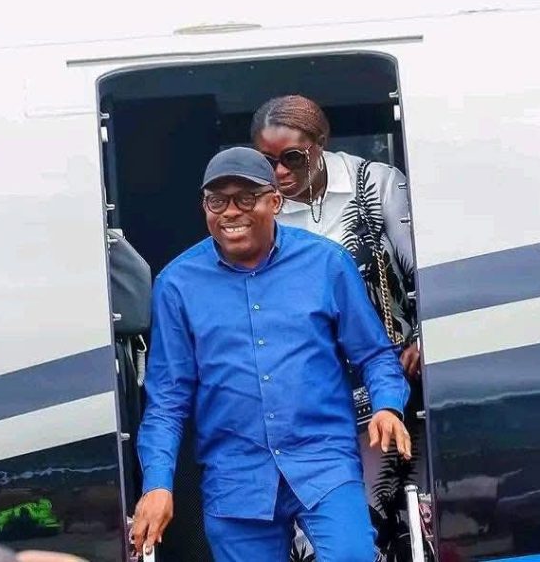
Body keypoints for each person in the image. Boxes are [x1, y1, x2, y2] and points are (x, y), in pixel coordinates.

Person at [130, 147, 411, 561]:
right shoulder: (176, 284)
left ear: (275, 202)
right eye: (217, 200)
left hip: (323, 460)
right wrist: (157, 484)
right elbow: (166, 401)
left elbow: (374, 355)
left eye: (246, 198)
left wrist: (388, 405)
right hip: (235, 475)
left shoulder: (326, 263)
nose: (230, 212)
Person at [252, 95, 427, 561]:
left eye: (292, 158)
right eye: (267, 161)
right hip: (309, 402)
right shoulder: (261, 211)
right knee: (320, 539)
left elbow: (424, 274)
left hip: (386, 384)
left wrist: (426, 338)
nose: (280, 173)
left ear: (321, 145)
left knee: (385, 519)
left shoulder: (375, 184)